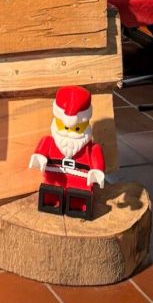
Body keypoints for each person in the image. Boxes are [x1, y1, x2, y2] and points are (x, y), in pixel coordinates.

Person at [29, 85, 106, 220]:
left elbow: (96, 158)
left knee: (79, 202)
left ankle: (78, 207)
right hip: (54, 182)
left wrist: (97, 171)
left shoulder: (91, 148)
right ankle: (51, 203)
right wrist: (39, 157)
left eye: (77, 129)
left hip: (80, 188)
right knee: (50, 196)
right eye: (64, 127)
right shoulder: (49, 141)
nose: (68, 133)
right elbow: (42, 150)